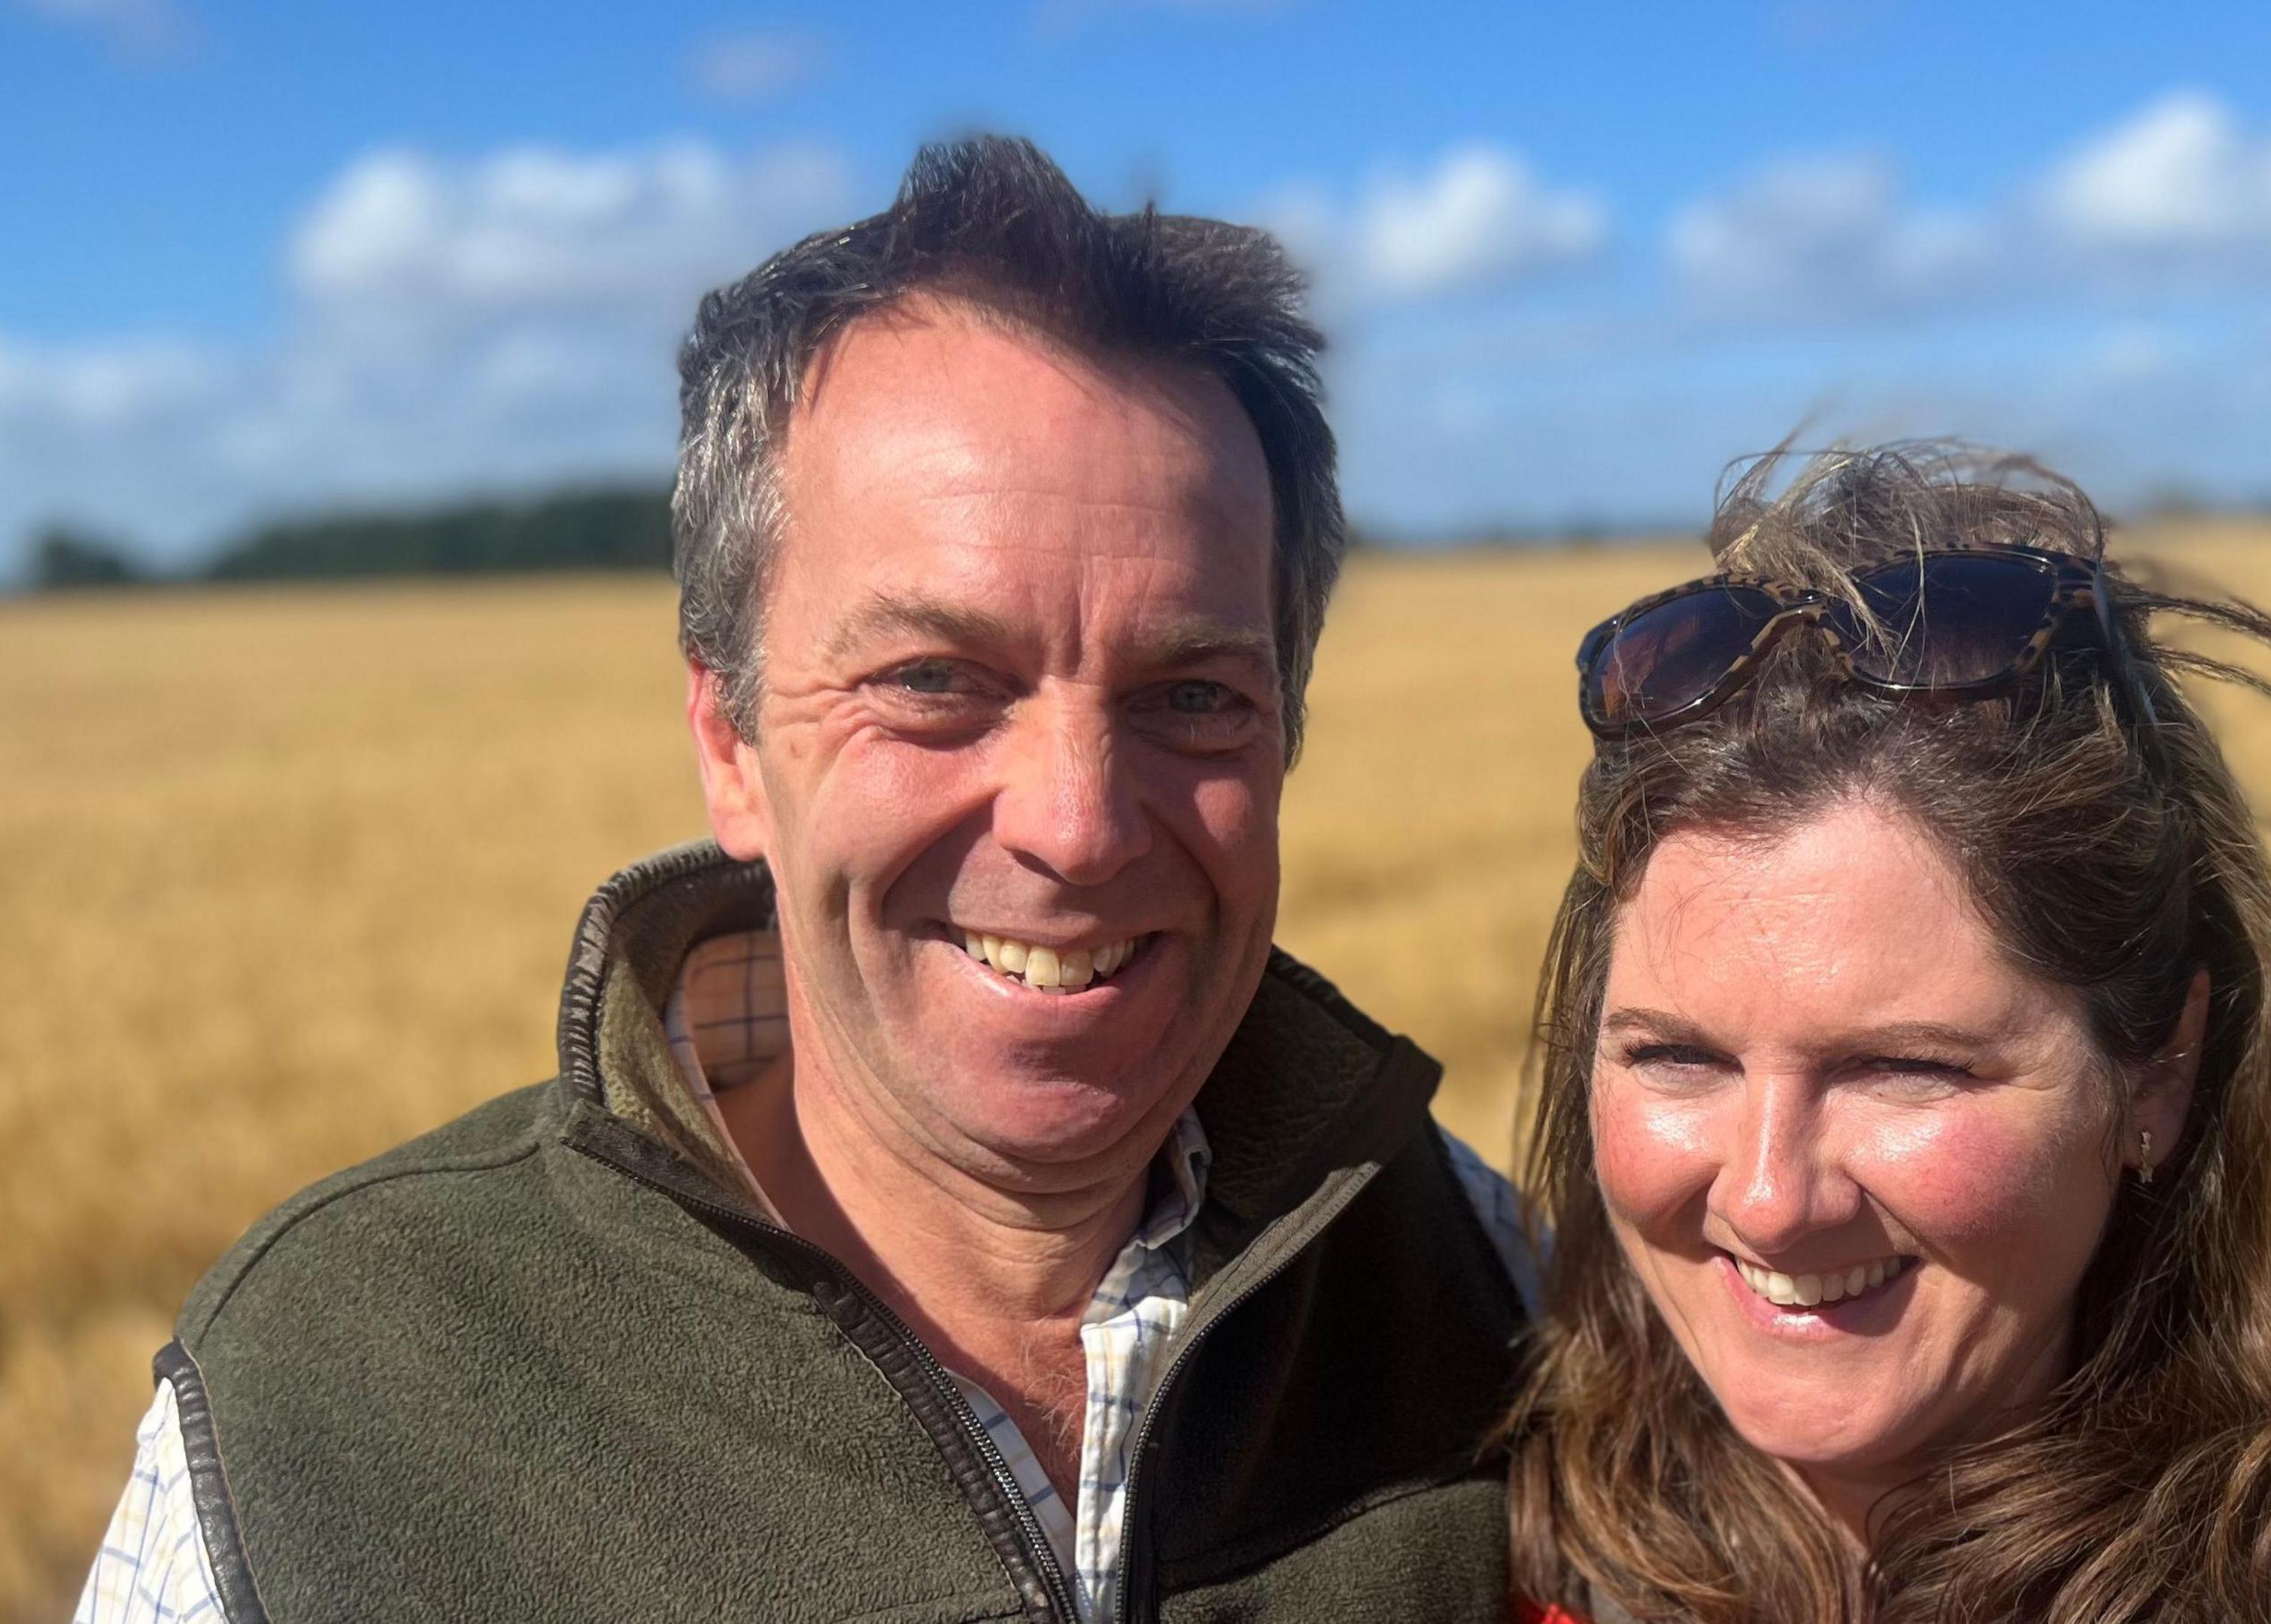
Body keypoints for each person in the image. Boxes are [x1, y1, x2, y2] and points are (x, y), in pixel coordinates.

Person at [75, 135, 1538, 1624]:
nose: (1079, 826)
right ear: (729, 741)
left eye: (1194, 695)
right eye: (932, 680)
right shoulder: (324, 1412)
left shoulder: (1484, 1283)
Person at [1503, 445, 2271, 1623]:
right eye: (1678, 1058)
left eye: (1903, 1069)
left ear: (2157, 1069)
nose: (1767, 1198)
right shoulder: (1461, 1525)